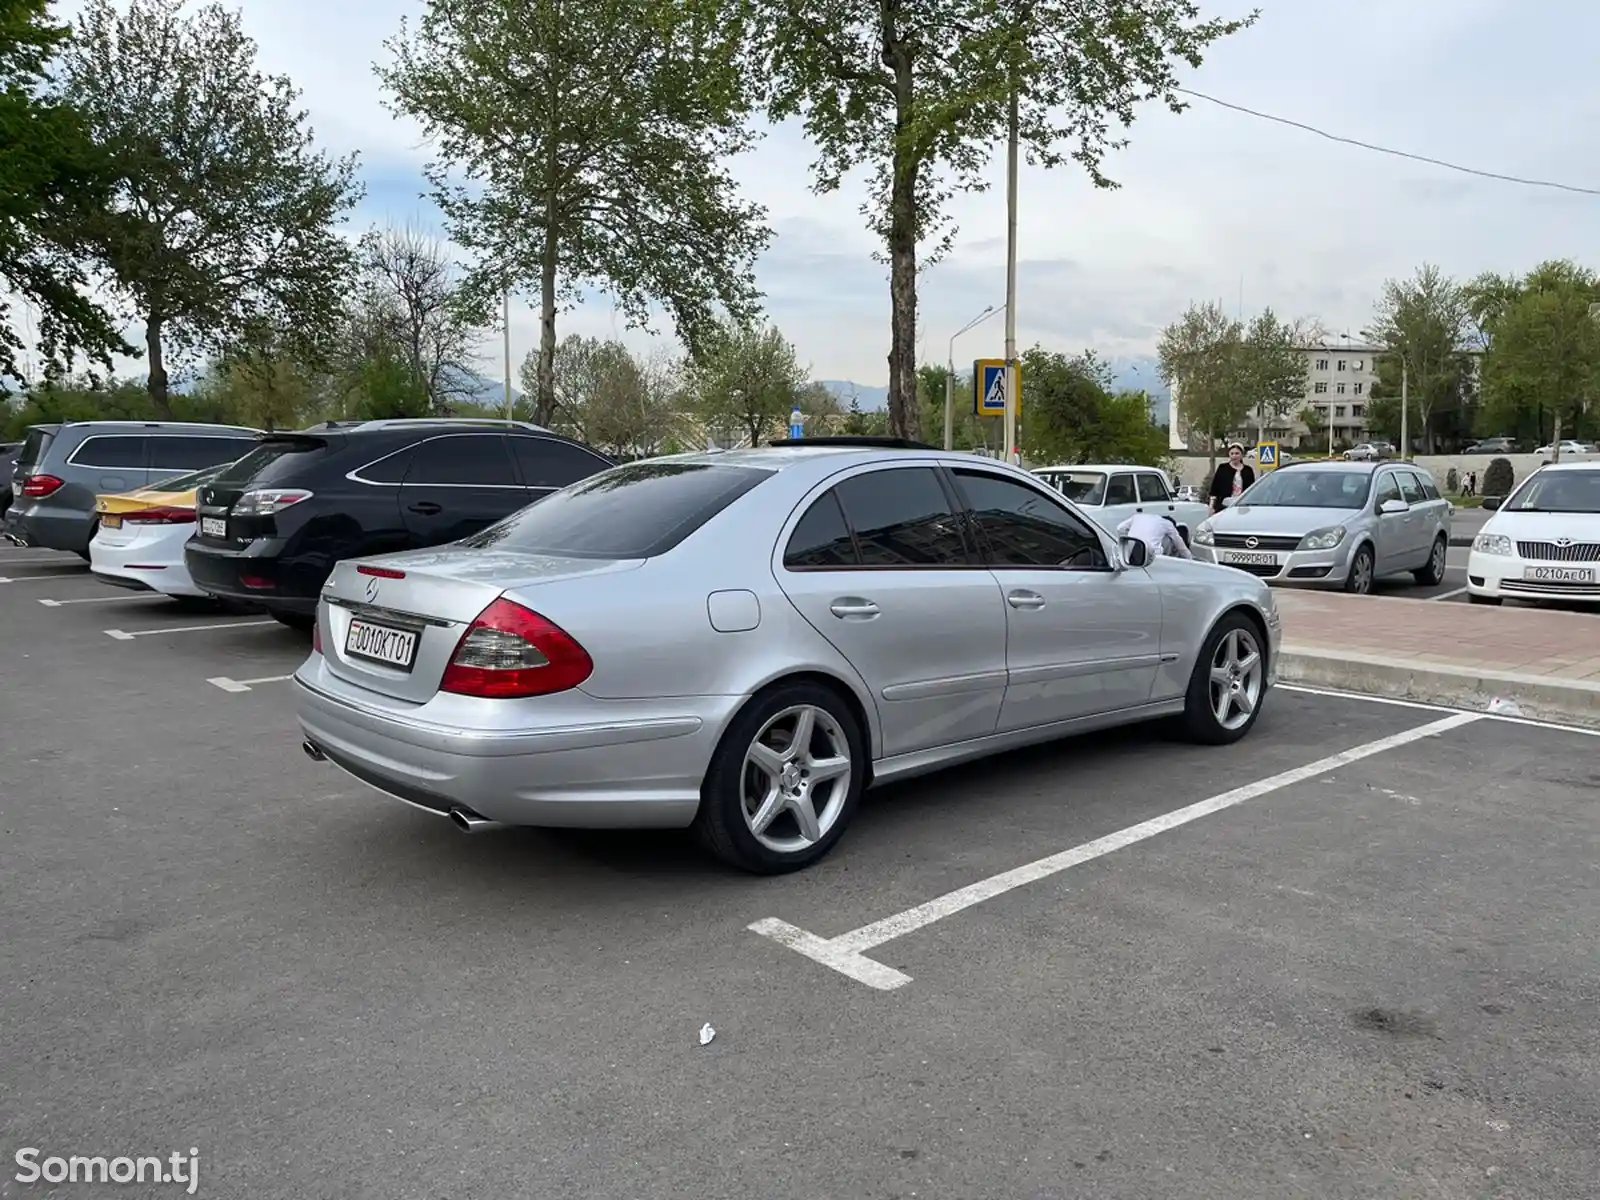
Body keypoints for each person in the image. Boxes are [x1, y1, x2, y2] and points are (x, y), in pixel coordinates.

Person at [1116, 511, 1195, 561]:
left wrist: (1129, 540)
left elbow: (1120, 528)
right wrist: (1190, 560)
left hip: (1129, 555)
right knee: (1170, 539)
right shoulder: (1167, 524)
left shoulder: (1138, 516)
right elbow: (1181, 546)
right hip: (1152, 558)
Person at [1208, 443, 1255, 513]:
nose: (1234, 456)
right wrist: (1211, 506)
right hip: (1224, 507)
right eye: (1232, 453)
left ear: (1242, 455)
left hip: (1242, 507)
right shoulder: (1223, 468)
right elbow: (1214, 489)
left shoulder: (1248, 470)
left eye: (1237, 453)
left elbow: (1252, 490)